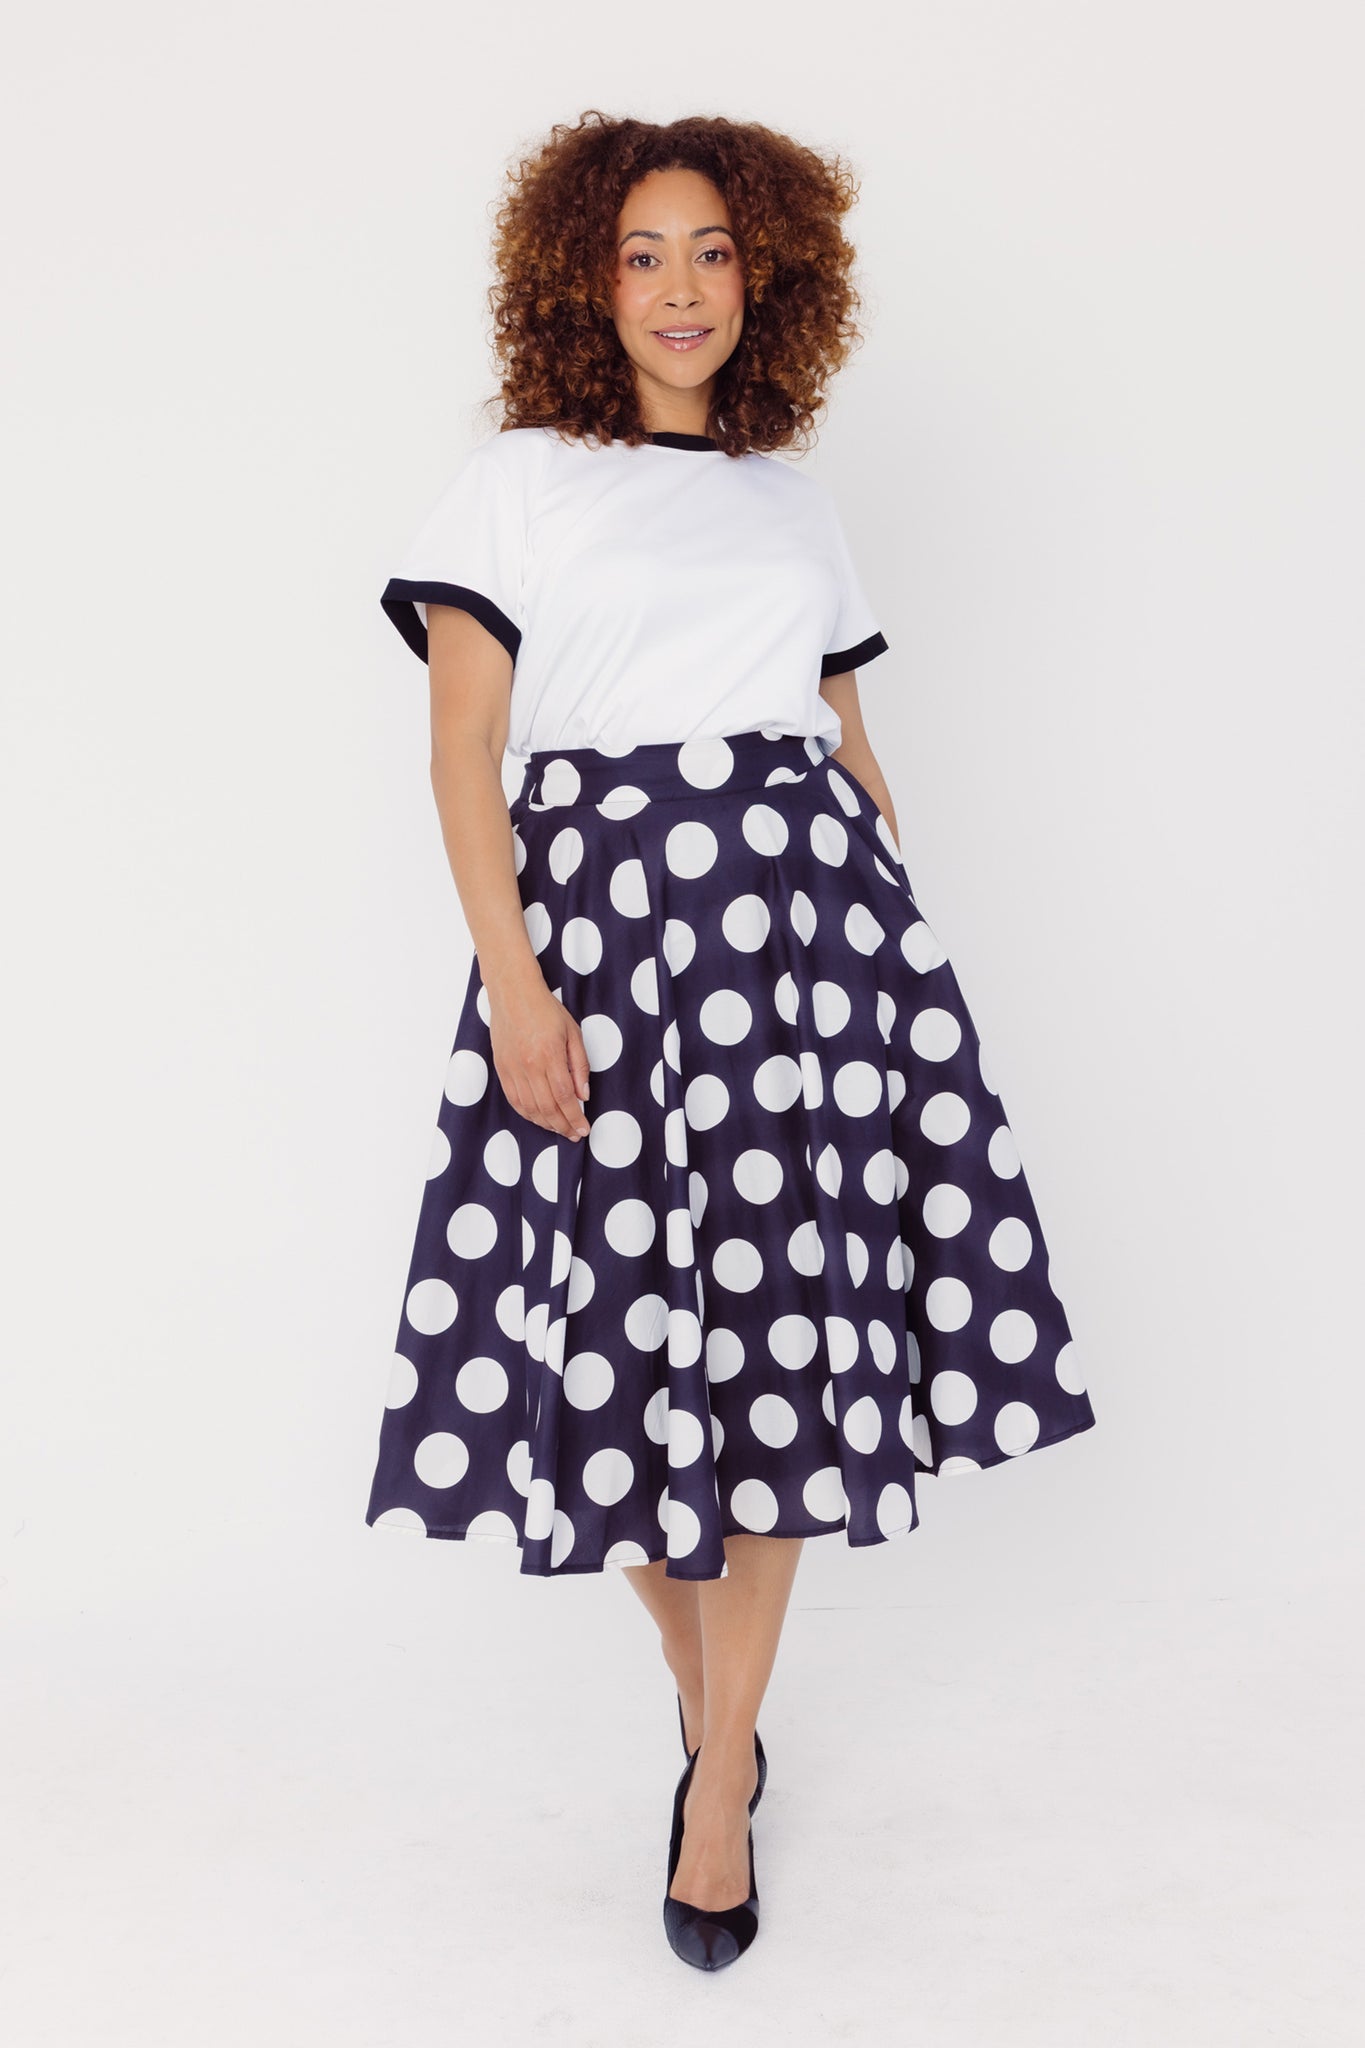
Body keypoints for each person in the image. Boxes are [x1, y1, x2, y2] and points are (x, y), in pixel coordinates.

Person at [363, 110, 1096, 1972]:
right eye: (639, 256)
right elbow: (463, 755)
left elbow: (841, 733)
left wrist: (867, 896)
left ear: (762, 272)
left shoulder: (792, 494)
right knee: (597, 1360)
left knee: (780, 1352)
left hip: (803, 975)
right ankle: (724, 1699)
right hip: (602, 953)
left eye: (708, 252)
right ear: (580, 282)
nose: (678, 288)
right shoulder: (517, 483)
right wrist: (518, 989)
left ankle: (710, 1793)